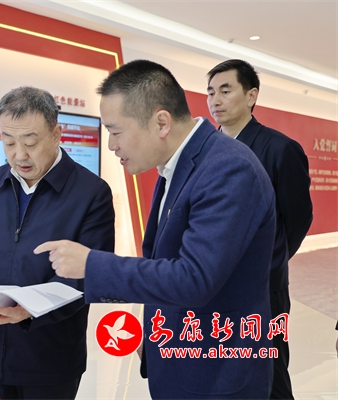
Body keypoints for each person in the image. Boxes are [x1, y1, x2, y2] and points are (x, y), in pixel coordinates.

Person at [35, 60, 276, 398]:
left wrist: (91, 264)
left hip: (216, 372)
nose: (111, 145)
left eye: (116, 131)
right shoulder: (176, 167)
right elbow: (164, 263)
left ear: (161, 122)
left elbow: (194, 279)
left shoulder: (228, 169)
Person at [0, 86, 115, 399]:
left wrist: (30, 309)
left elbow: (89, 275)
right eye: (8, 141)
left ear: (57, 134)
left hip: (49, 361)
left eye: (30, 142)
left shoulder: (91, 193)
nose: (19, 154)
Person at [206, 59, 313, 399]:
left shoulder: (280, 149)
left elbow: (297, 219)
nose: (215, 100)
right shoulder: (203, 150)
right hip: (210, 286)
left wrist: (267, 262)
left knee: (268, 375)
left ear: (251, 96)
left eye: (225, 91)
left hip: (261, 289)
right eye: (210, 92)